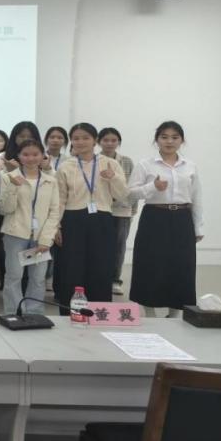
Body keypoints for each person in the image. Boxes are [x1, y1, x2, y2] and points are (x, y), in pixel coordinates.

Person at [128, 121, 203, 318]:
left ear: (182, 141)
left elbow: (196, 198)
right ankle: (149, 312)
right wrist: (152, 187)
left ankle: (174, 313)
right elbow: (130, 194)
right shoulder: (145, 165)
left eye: (175, 137)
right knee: (150, 263)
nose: (169, 141)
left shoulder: (190, 166)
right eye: (164, 137)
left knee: (181, 264)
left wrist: (198, 227)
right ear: (157, 140)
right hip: (154, 217)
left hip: (182, 218)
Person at [54, 123, 128, 307]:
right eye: (76, 138)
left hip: (102, 220)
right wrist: (56, 226)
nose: (80, 142)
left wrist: (113, 177)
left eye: (86, 138)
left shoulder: (110, 163)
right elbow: (59, 199)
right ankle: (71, 311)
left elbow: (122, 195)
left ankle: (99, 311)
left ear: (95, 140)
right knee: (72, 267)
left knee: (101, 267)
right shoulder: (66, 166)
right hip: (72, 220)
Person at [0, 139, 59, 317]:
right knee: (14, 276)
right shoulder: (8, 177)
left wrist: (46, 239)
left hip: (40, 236)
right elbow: (5, 209)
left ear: (42, 156)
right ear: (18, 156)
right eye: (25, 154)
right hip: (15, 234)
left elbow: (54, 212)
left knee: (38, 278)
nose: (30, 158)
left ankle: (34, 313)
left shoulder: (50, 180)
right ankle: (13, 312)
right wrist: (13, 187)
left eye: (35, 154)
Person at [98, 127, 137, 295]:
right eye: (106, 140)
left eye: (113, 140)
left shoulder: (126, 161)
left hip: (122, 211)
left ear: (119, 142)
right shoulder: (95, 160)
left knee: (119, 247)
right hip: (100, 209)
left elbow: (132, 187)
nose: (109, 143)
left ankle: (115, 280)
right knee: (99, 246)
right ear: (99, 142)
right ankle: (100, 278)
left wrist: (132, 210)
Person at [43, 125, 70, 291]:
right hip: (42, 203)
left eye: (59, 137)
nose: (55, 140)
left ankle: (51, 277)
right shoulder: (38, 156)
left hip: (61, 204)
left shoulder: (68, 160)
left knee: (57, 243)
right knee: (44, 240)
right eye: (52, 137)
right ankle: (43, 276)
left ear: (65, 141)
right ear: (46, 139)